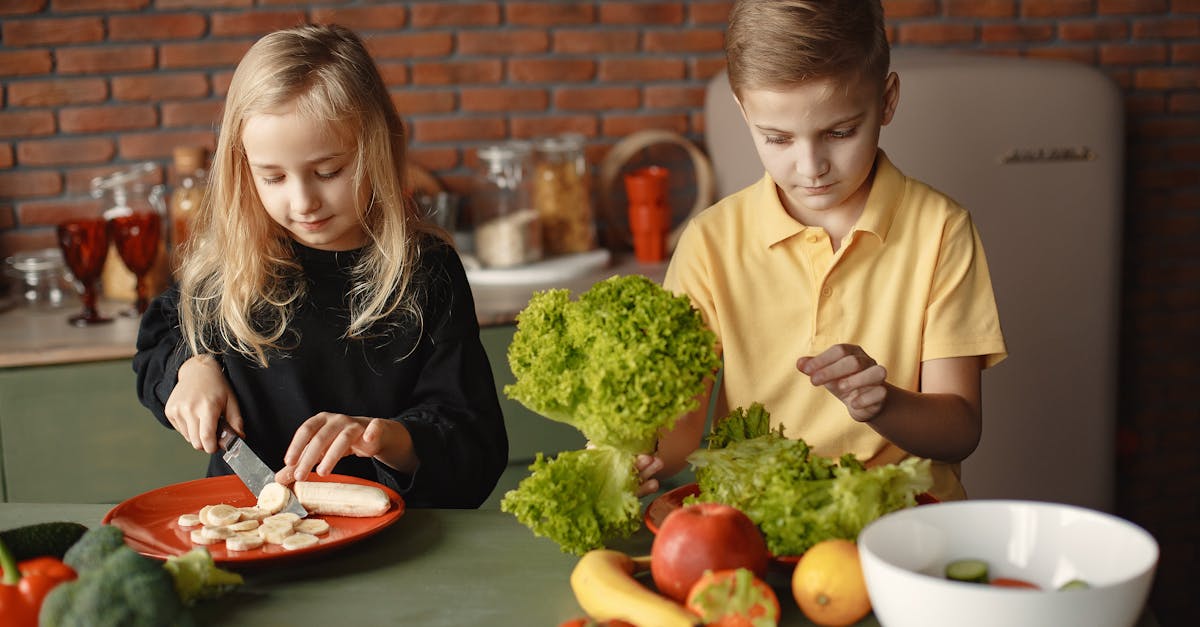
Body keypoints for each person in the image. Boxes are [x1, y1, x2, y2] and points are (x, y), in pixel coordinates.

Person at [640, 0, 1007, 502]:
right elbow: (681, 431)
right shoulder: (710, 242)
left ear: (887, 100)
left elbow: (960, 430)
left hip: (903, 519)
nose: (811, 167)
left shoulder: (940, 230)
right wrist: (639, 453)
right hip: (757, 517)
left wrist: (884, 403)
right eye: (777, 138)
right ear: (744, 111)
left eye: (839, 133)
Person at [133, 24, 508, 509]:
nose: (303, 202)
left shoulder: (426, 272)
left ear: (377, 148)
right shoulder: (228, 265)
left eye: (328, 171)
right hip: (251, 528)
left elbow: (474, 443)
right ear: (243, 169)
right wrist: (190, 369)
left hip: (397, 535)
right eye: (273, 178)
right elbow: (159, 340)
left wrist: (384, 438)